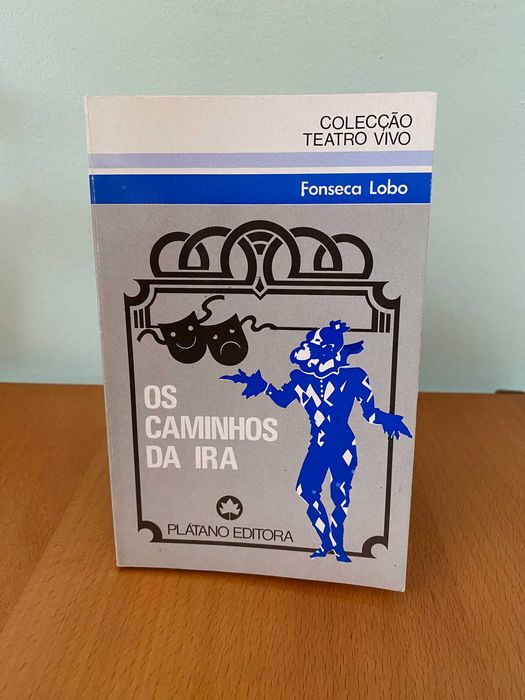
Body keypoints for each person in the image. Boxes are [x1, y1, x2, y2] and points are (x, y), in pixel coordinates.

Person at [221, 320, 412, 562]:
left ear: (328, 349)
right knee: (306, 490)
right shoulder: (301, 379)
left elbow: (370, 413)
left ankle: (338, 547)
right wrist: (263, 385)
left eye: (313, 343)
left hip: (343, 445)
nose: (305, 347)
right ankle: (326, 542)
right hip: (318, 446)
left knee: (339, 496)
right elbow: (282, 400)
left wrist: (389, 420)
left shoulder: (354, 377)